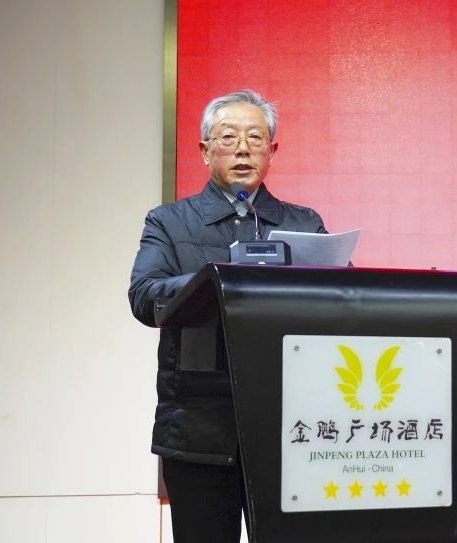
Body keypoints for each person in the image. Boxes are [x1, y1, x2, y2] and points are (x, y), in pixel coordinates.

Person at [129, 90, 328, 543]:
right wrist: (215, 281)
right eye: (229, 137)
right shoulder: (169, 222)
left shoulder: (304, 224)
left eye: (255, 138)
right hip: (198, 426)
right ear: (205, 150)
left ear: (271, 151)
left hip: (290, 430)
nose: (242, 149)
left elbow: (344, 301)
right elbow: (144, 296)